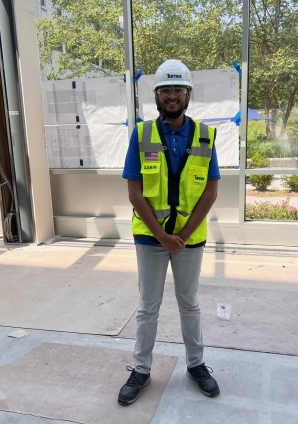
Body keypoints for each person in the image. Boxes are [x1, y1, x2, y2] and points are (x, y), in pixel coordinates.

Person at [118, 59, 220, 406]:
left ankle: (196, 366)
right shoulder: (142, 133)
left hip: (190, 239)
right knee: (148, 307)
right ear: (157, 96)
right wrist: (164, 237)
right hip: (150, 239)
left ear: (188, 94)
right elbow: (134, 192)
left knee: (189, 304)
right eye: (166, 90)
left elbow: (210, 191)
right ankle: (142, 370)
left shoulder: (205, 136)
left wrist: (183, 236)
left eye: (178, 89)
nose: (172, 96)